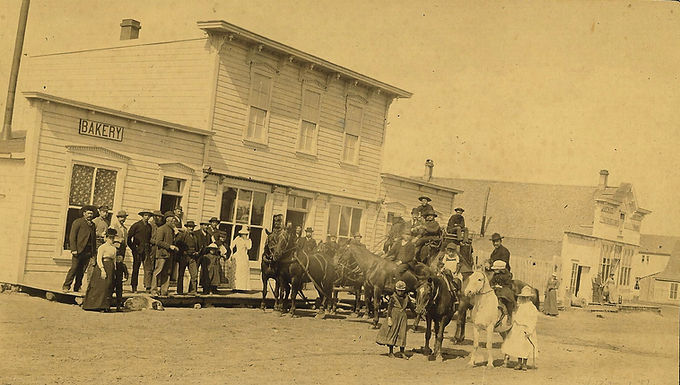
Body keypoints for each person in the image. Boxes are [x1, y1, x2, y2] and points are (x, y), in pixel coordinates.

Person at [501, 286, 539, 371]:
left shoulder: (532, 307)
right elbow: (516, 315)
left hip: (527, 328)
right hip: (518, 327)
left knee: (525, 346)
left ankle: (524, 363)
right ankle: (519, 363)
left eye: (526, 297)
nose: (525, 299)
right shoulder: (520, 306)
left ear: (529, 297)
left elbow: (533, 319)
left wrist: (530, 329)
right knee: (518, 346)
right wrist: (514, 321)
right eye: (523, 297)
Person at [62, 205, 97, 292]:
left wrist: (93, 252)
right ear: (84, 213)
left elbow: (93, 239)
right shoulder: (78, 222)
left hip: (88, 251)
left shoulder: (93, 225)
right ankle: (66, 286)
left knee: (82, 271)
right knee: (74, 268)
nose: (90, 215)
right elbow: (72, 236)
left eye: (91, 214)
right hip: (78, 250)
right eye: (88, 213)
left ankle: (77, 287)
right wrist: (73, 249)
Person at [82, 228, 117, 312]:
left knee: (108, 286)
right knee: (100, 287)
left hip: (110, 267)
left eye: (113, 238)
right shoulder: (102, 247)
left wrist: (114, 269)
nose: (111, 240)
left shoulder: (114, 249)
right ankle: (94, 306)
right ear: (106, 238)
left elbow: (114, 259)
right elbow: (99, 259)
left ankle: (105, 306)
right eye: (110, 238)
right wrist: (102, 269)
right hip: (102, 267)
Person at [376, 280, 410, 359]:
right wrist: (389, 318)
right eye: (399, 291)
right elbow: (390, 308)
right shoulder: (393, 298)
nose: (400, 292)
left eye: (402, 291)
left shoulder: (406, 298)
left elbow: (411, 306)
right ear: (396, 290)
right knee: (392, 332)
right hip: (394, 316)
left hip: (403, 317)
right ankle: (391, 352)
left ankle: (402, 352)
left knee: (402, 334)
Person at [151, 212, 179, 296]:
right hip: (161, 255)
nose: (174, 222)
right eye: (173, 221)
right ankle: (154, 290)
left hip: (169, 255)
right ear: (168, 220)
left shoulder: (171, 230)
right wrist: (169, 246)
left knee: (167, 273)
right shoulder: (161, 229)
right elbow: (158, 242)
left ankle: (164, 291)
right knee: (158, 272)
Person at [127, 209, 153, 293]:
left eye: (148, 216)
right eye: (145, 215)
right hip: (137, 250)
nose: (147, 217)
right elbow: (129, 238)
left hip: (146, 250)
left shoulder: (149, 226)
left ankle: (147, 287)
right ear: (142, 216)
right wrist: (134, 248)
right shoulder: (136, 225)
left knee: (148, 268)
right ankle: (134, 287)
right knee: (136, 268)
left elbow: (149, 239)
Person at [175, 220, 200, 295]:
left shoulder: (195, 237)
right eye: (189, 227)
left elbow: (197, 247)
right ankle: (180, 291)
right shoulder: (182, 235)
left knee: (194, 275)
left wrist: (196, 252)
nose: (191, 229)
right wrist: (183, 252)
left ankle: (193, 291)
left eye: (192, 227)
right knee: (181, 274)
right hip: (184, 257)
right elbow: (178, 243)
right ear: (186, 227)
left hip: (192, 258)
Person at [490, 260, 515, 325]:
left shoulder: (507, 275)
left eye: (496, 269)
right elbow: (492, 281)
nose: (494, 270)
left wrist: (501, 286)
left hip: (505, 289)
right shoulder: (495, 274)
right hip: (496, 289)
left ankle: (510, 316)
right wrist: (493, 285)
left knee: (507, 299)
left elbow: (508, 284)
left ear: (500, 269)